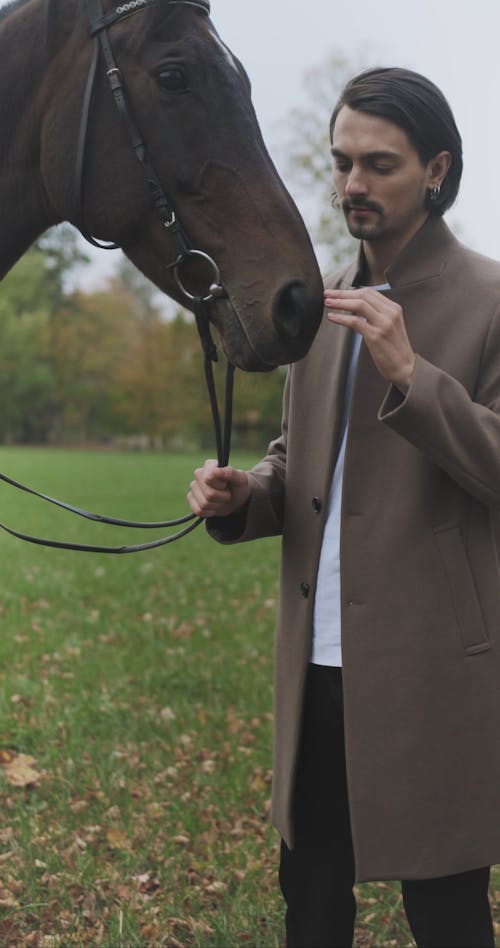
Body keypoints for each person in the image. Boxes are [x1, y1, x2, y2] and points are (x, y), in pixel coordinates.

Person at [187, 67, 500, 948]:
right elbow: (298, 464)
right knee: (312, 905)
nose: (353, 185)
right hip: (316, 673)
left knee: (445, 915)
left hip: (433, 674)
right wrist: (245, 493)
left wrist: (413, 375)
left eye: (380, 165)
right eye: (342, 163)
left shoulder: (491, 301)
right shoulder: (314, 307)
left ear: (437, 170)